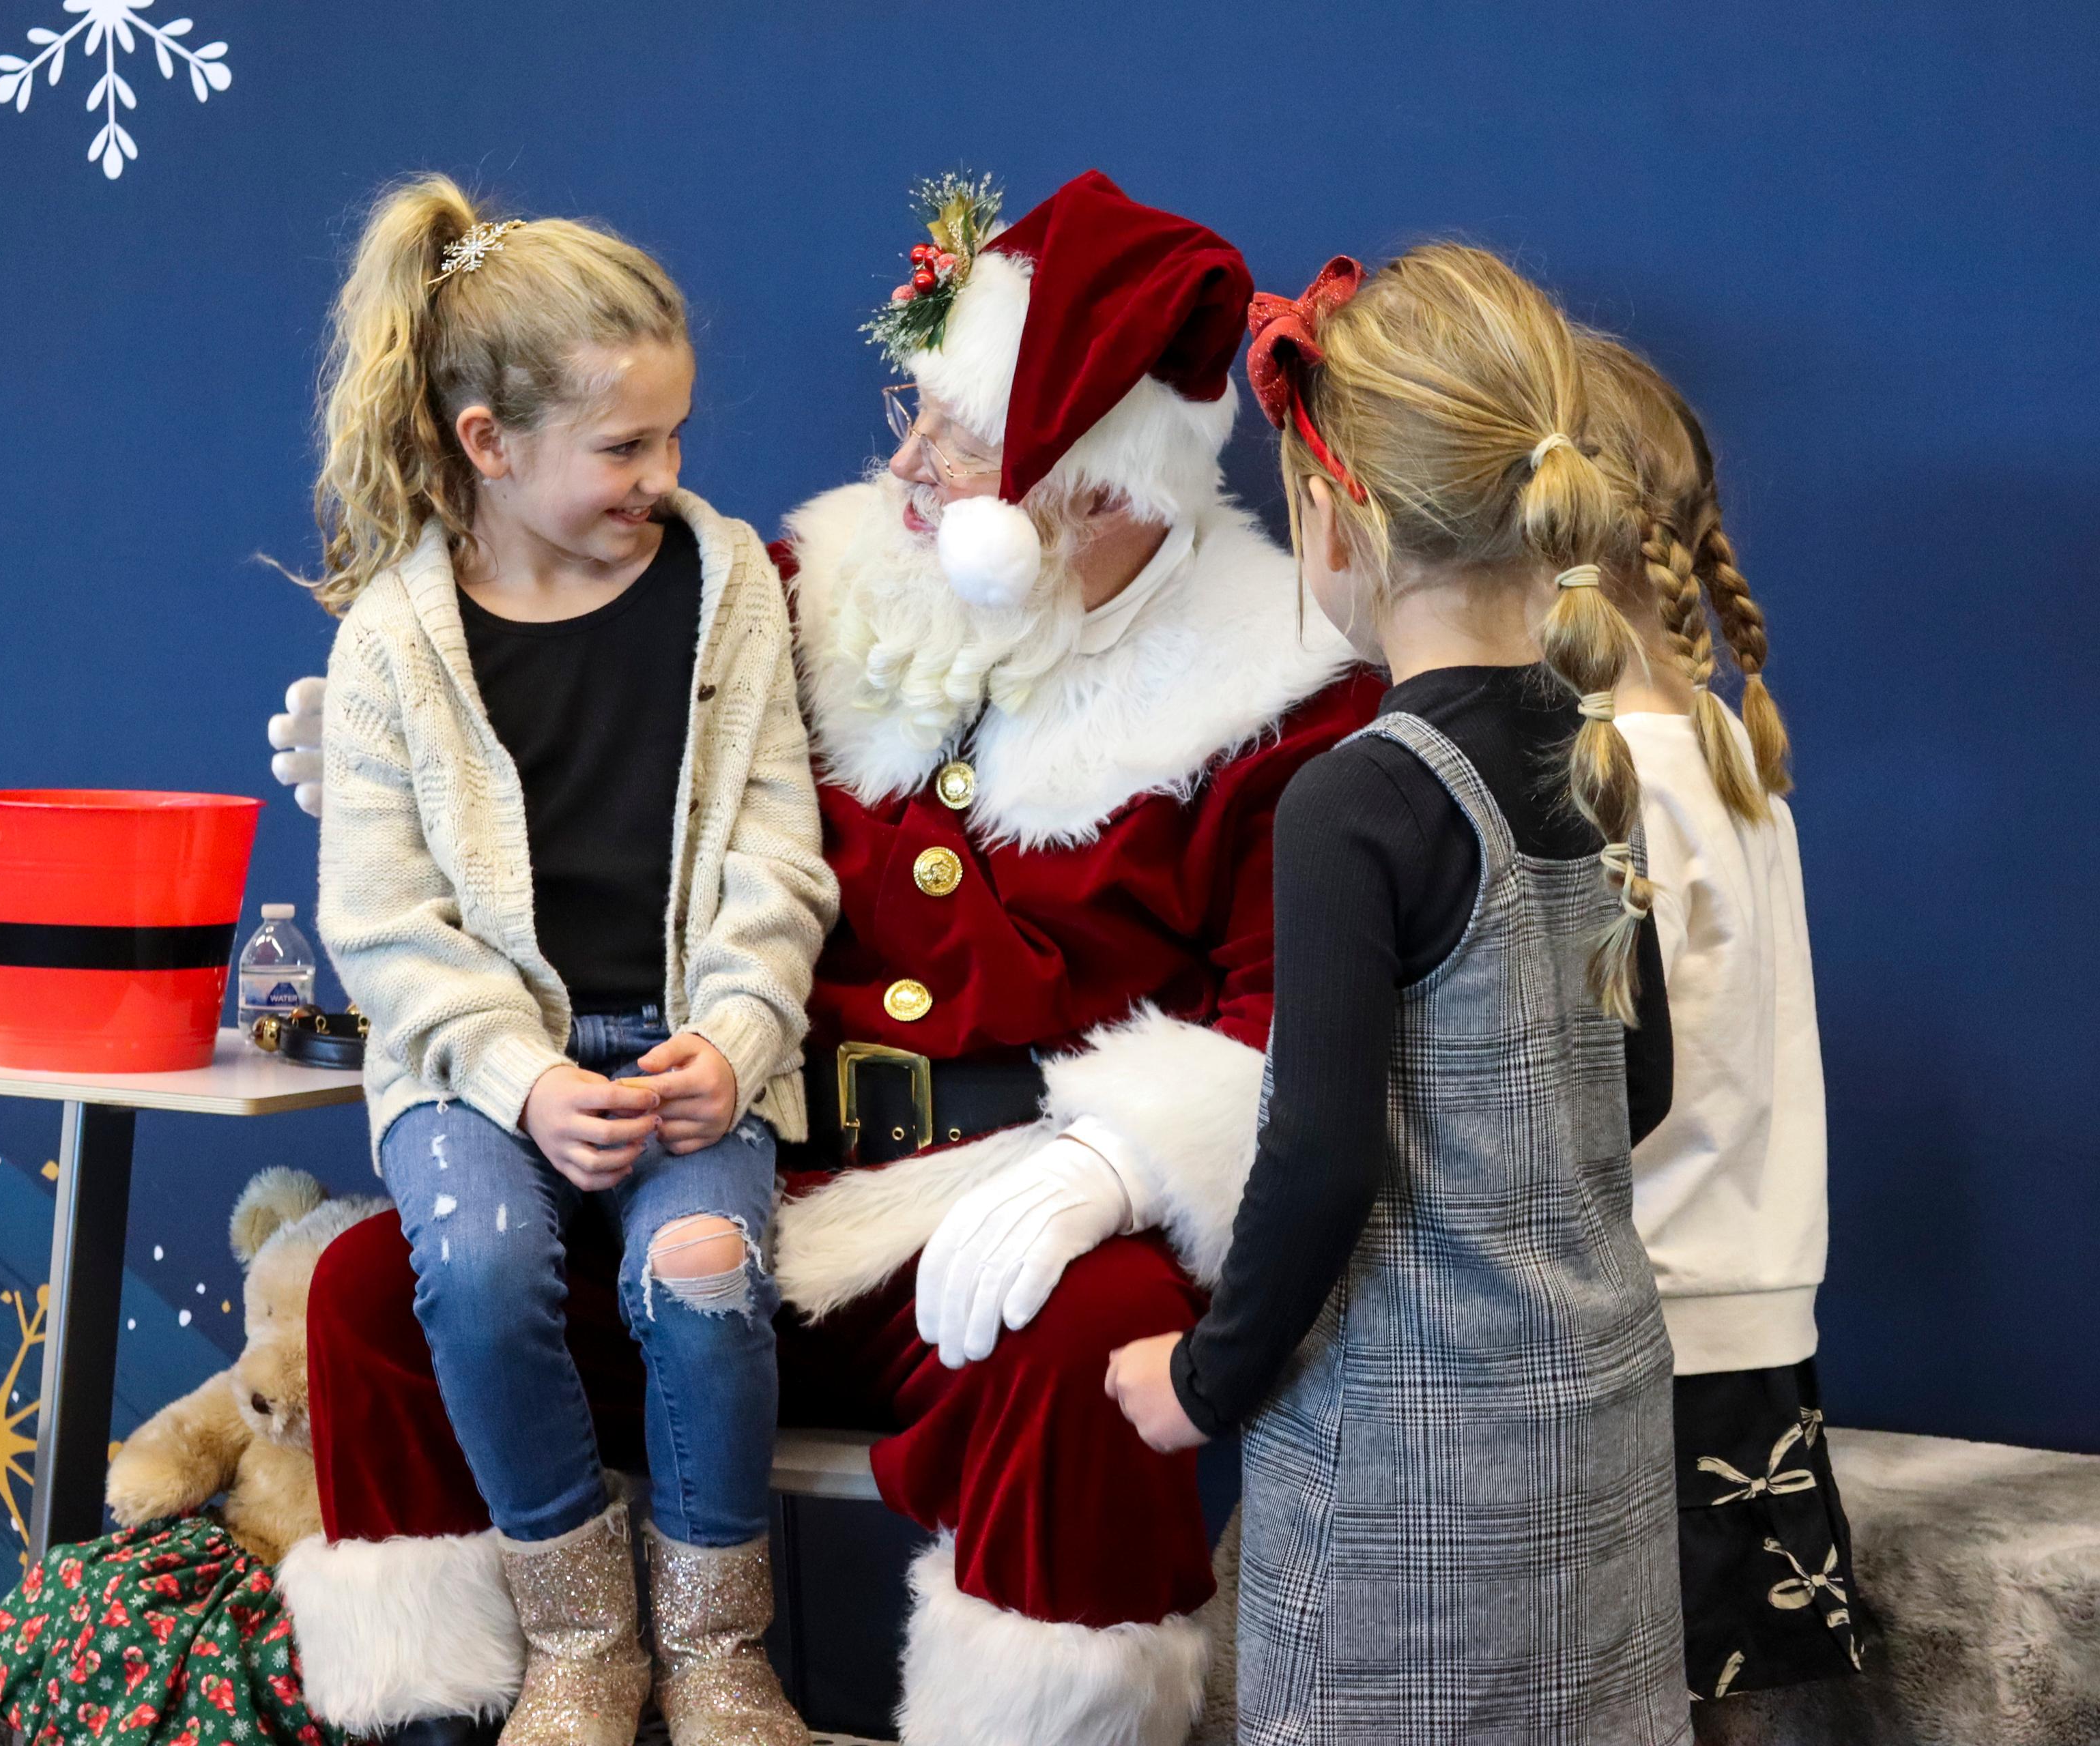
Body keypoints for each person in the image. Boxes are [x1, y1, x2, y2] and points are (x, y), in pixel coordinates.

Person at [268, 171, 1388, 1746]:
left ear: (1094, 480)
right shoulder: (802, 585)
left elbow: (1292, 1044)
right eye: (913, 408)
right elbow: (601, 762)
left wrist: (1117, 1166)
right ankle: (458, 1712)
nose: (907, 460)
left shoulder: (1274, 694)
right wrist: (411, 767)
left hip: (996, 1228)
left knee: (1093, 1336)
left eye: (959, 432)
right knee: (378, 1287)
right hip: (739, 1164)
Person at [1105, 246, 1690, 1742]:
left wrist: (1206, 1374)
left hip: (1414, 1469)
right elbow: (1641, 1090)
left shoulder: (1353, 798)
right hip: (1602, 1420)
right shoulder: (1594, 750)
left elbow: (1320, 1159)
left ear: (1338, 514)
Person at [291, 174, 835, 1746]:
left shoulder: (723, 584)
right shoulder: (391, 644)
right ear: (488, 443)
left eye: (674, 437)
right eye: (621, 447)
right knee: (471, 1265)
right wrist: (528, 1079)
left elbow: (776, 852)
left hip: (684, 1047)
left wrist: (734, 1031)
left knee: (708, 1272)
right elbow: (388, 923)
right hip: (479, 1066)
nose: (660, 477)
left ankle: (720, 1649)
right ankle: (583, 1632)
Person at [1580, 334, 1862, 1701]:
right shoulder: (1734, 751)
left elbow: (1612, 1095)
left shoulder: (1605, 781)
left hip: (1646, 1345)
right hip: (1754, 1335)